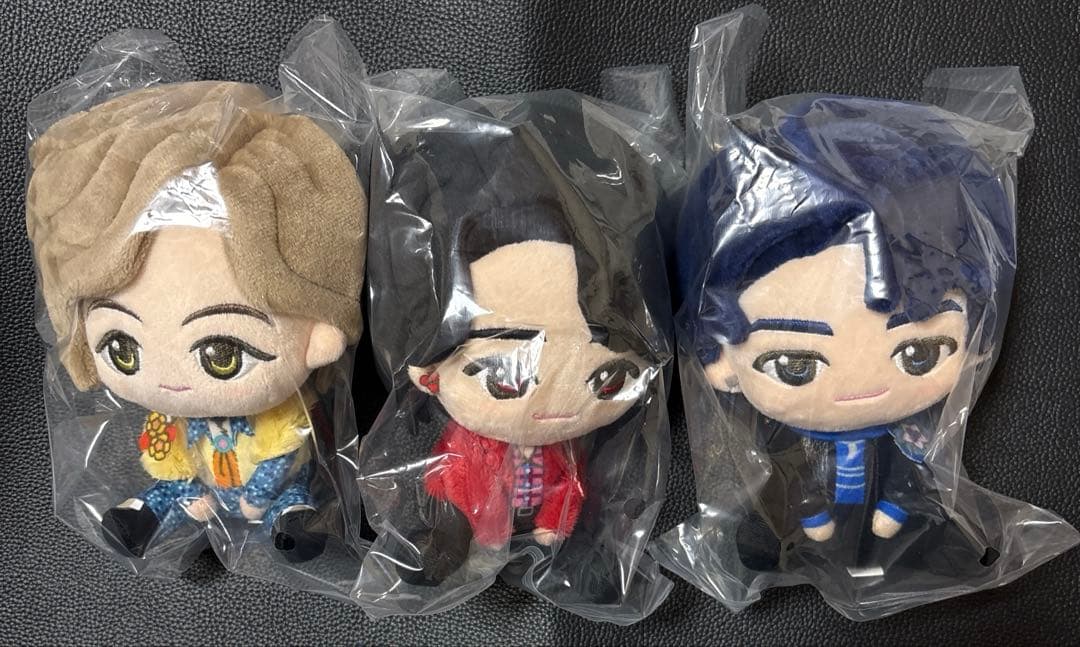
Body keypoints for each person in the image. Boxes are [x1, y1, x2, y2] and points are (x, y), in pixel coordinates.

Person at [26, 81, 366, 563]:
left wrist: (257, 498)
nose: (169, 381)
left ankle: (291, 522)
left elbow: (282, 456)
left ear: (319, 339)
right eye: (123, 348)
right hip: (203, 485)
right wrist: (189, 491)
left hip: (267, 490)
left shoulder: (279, 414)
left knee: (291, 496)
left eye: (222, 354)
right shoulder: (168, 420)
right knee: (169, 490)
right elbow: (168, 460)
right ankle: (140, 519)